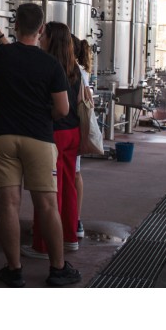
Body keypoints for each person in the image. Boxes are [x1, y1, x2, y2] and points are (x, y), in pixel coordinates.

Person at [0, 3, 81, 288]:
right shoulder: (51, 64)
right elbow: (63, 109)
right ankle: (58, 269)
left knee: (8, 205)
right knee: (47, 205)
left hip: (3, 136)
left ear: (15, 25)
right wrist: (42, 115)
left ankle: (14, 270)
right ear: (40, 30)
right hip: (39, 138)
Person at [22, 22, 83, 258]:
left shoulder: (47, 65)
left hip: (54, 133)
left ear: (51, 40)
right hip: (73, 133)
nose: (40, 38)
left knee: (48, 191)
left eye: (43, 35)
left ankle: (43, 245)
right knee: (68, 187)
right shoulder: (74, 67)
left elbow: (57, 107)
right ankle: (69, 237)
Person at [72, 34, 94, 239]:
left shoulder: (76, 71)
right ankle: (74, 219)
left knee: (74, 174)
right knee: (74, 173)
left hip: (69, 128)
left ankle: (75, 219)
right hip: (71, 128)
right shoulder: (79, 70)